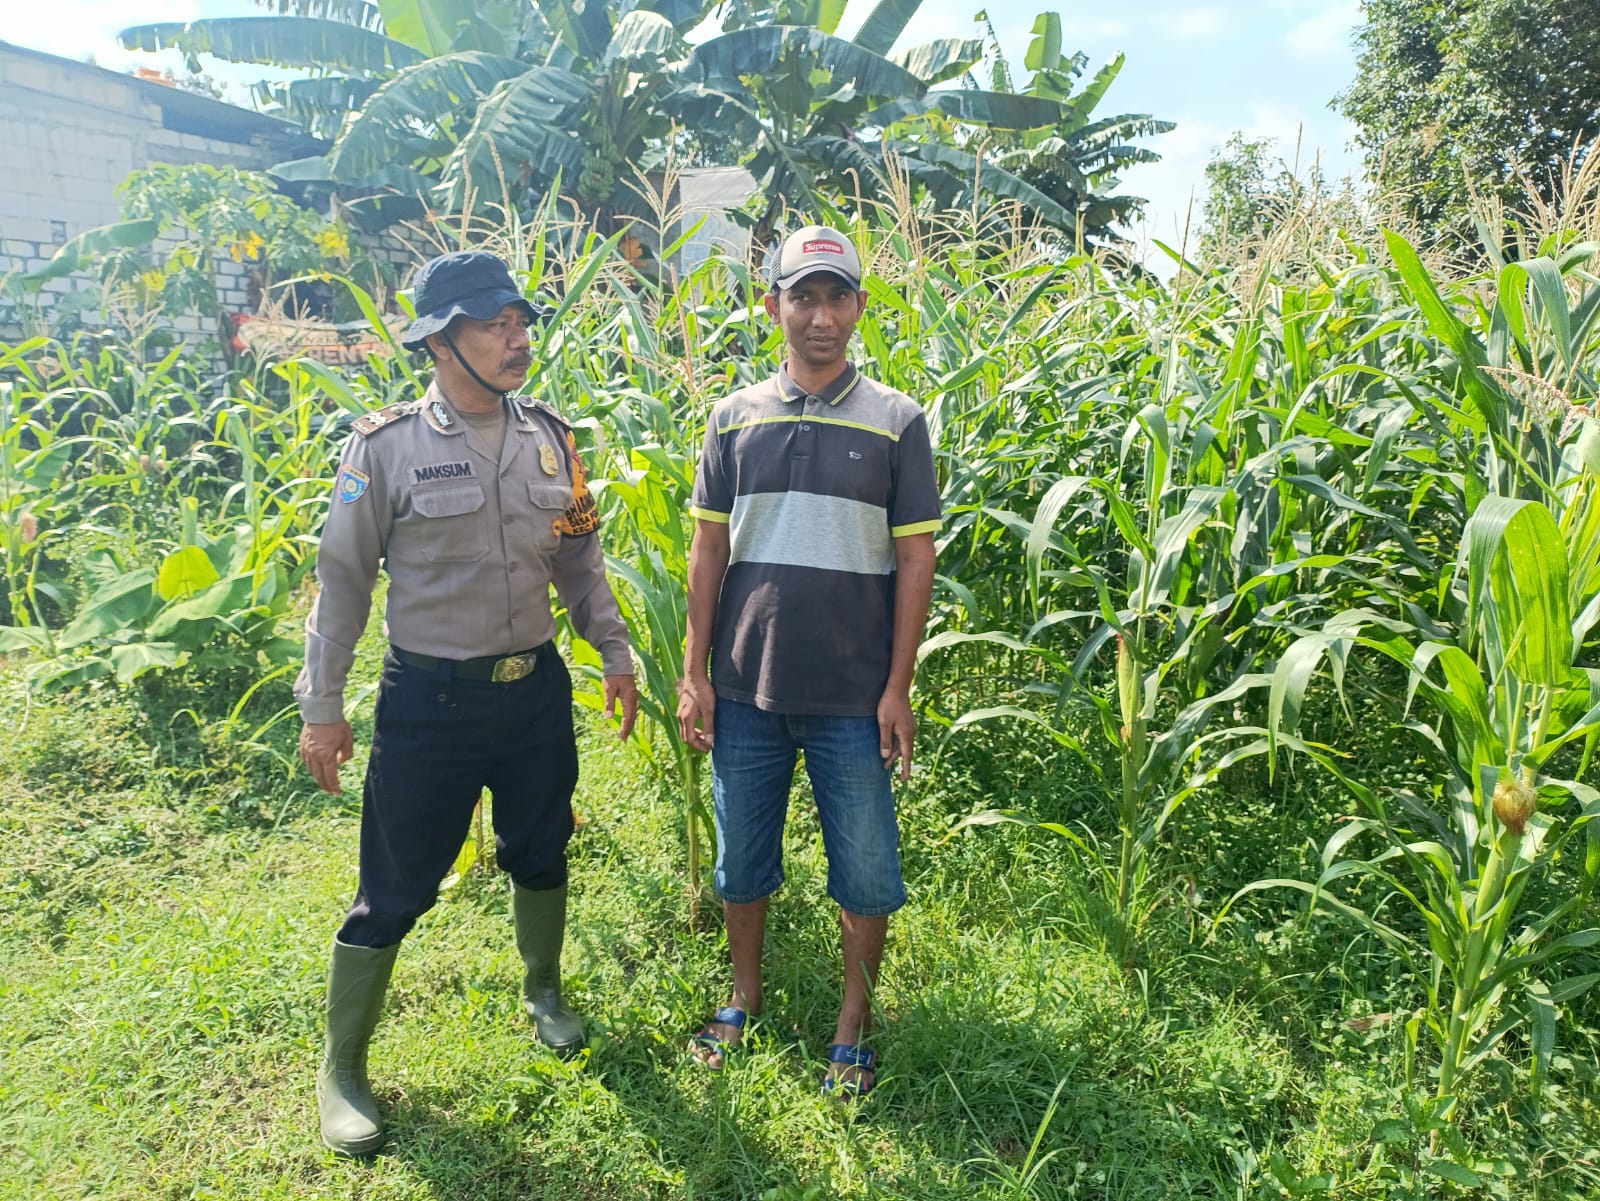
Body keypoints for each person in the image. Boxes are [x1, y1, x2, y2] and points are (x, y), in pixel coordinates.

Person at [295, 249, 638, 1155]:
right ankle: (342, 1066)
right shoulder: (385, 448)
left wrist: (615, 653)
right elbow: (342, 582)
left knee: (542, 847)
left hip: (534, 694)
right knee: (394, 886)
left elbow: (580, 560)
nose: (518, 339)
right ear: (441, 344)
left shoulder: (552, 439)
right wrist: (322, 704)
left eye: (520, 322)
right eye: (495, 325)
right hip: (431, 703)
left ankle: (544, 991)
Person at [675, 225, 940, 1097]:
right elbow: (708, 550)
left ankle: (851, 1027)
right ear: (773, 306)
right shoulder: (733, 418)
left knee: (865, 868)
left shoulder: (897, 421)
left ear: (860, 307)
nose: (820, 317)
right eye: (803, 298)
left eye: (836, 298)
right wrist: (694, 671)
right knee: (741, 860)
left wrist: (898, 686)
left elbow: (916, 559)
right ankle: (743, 996)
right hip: (746, 685)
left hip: (854, 695)